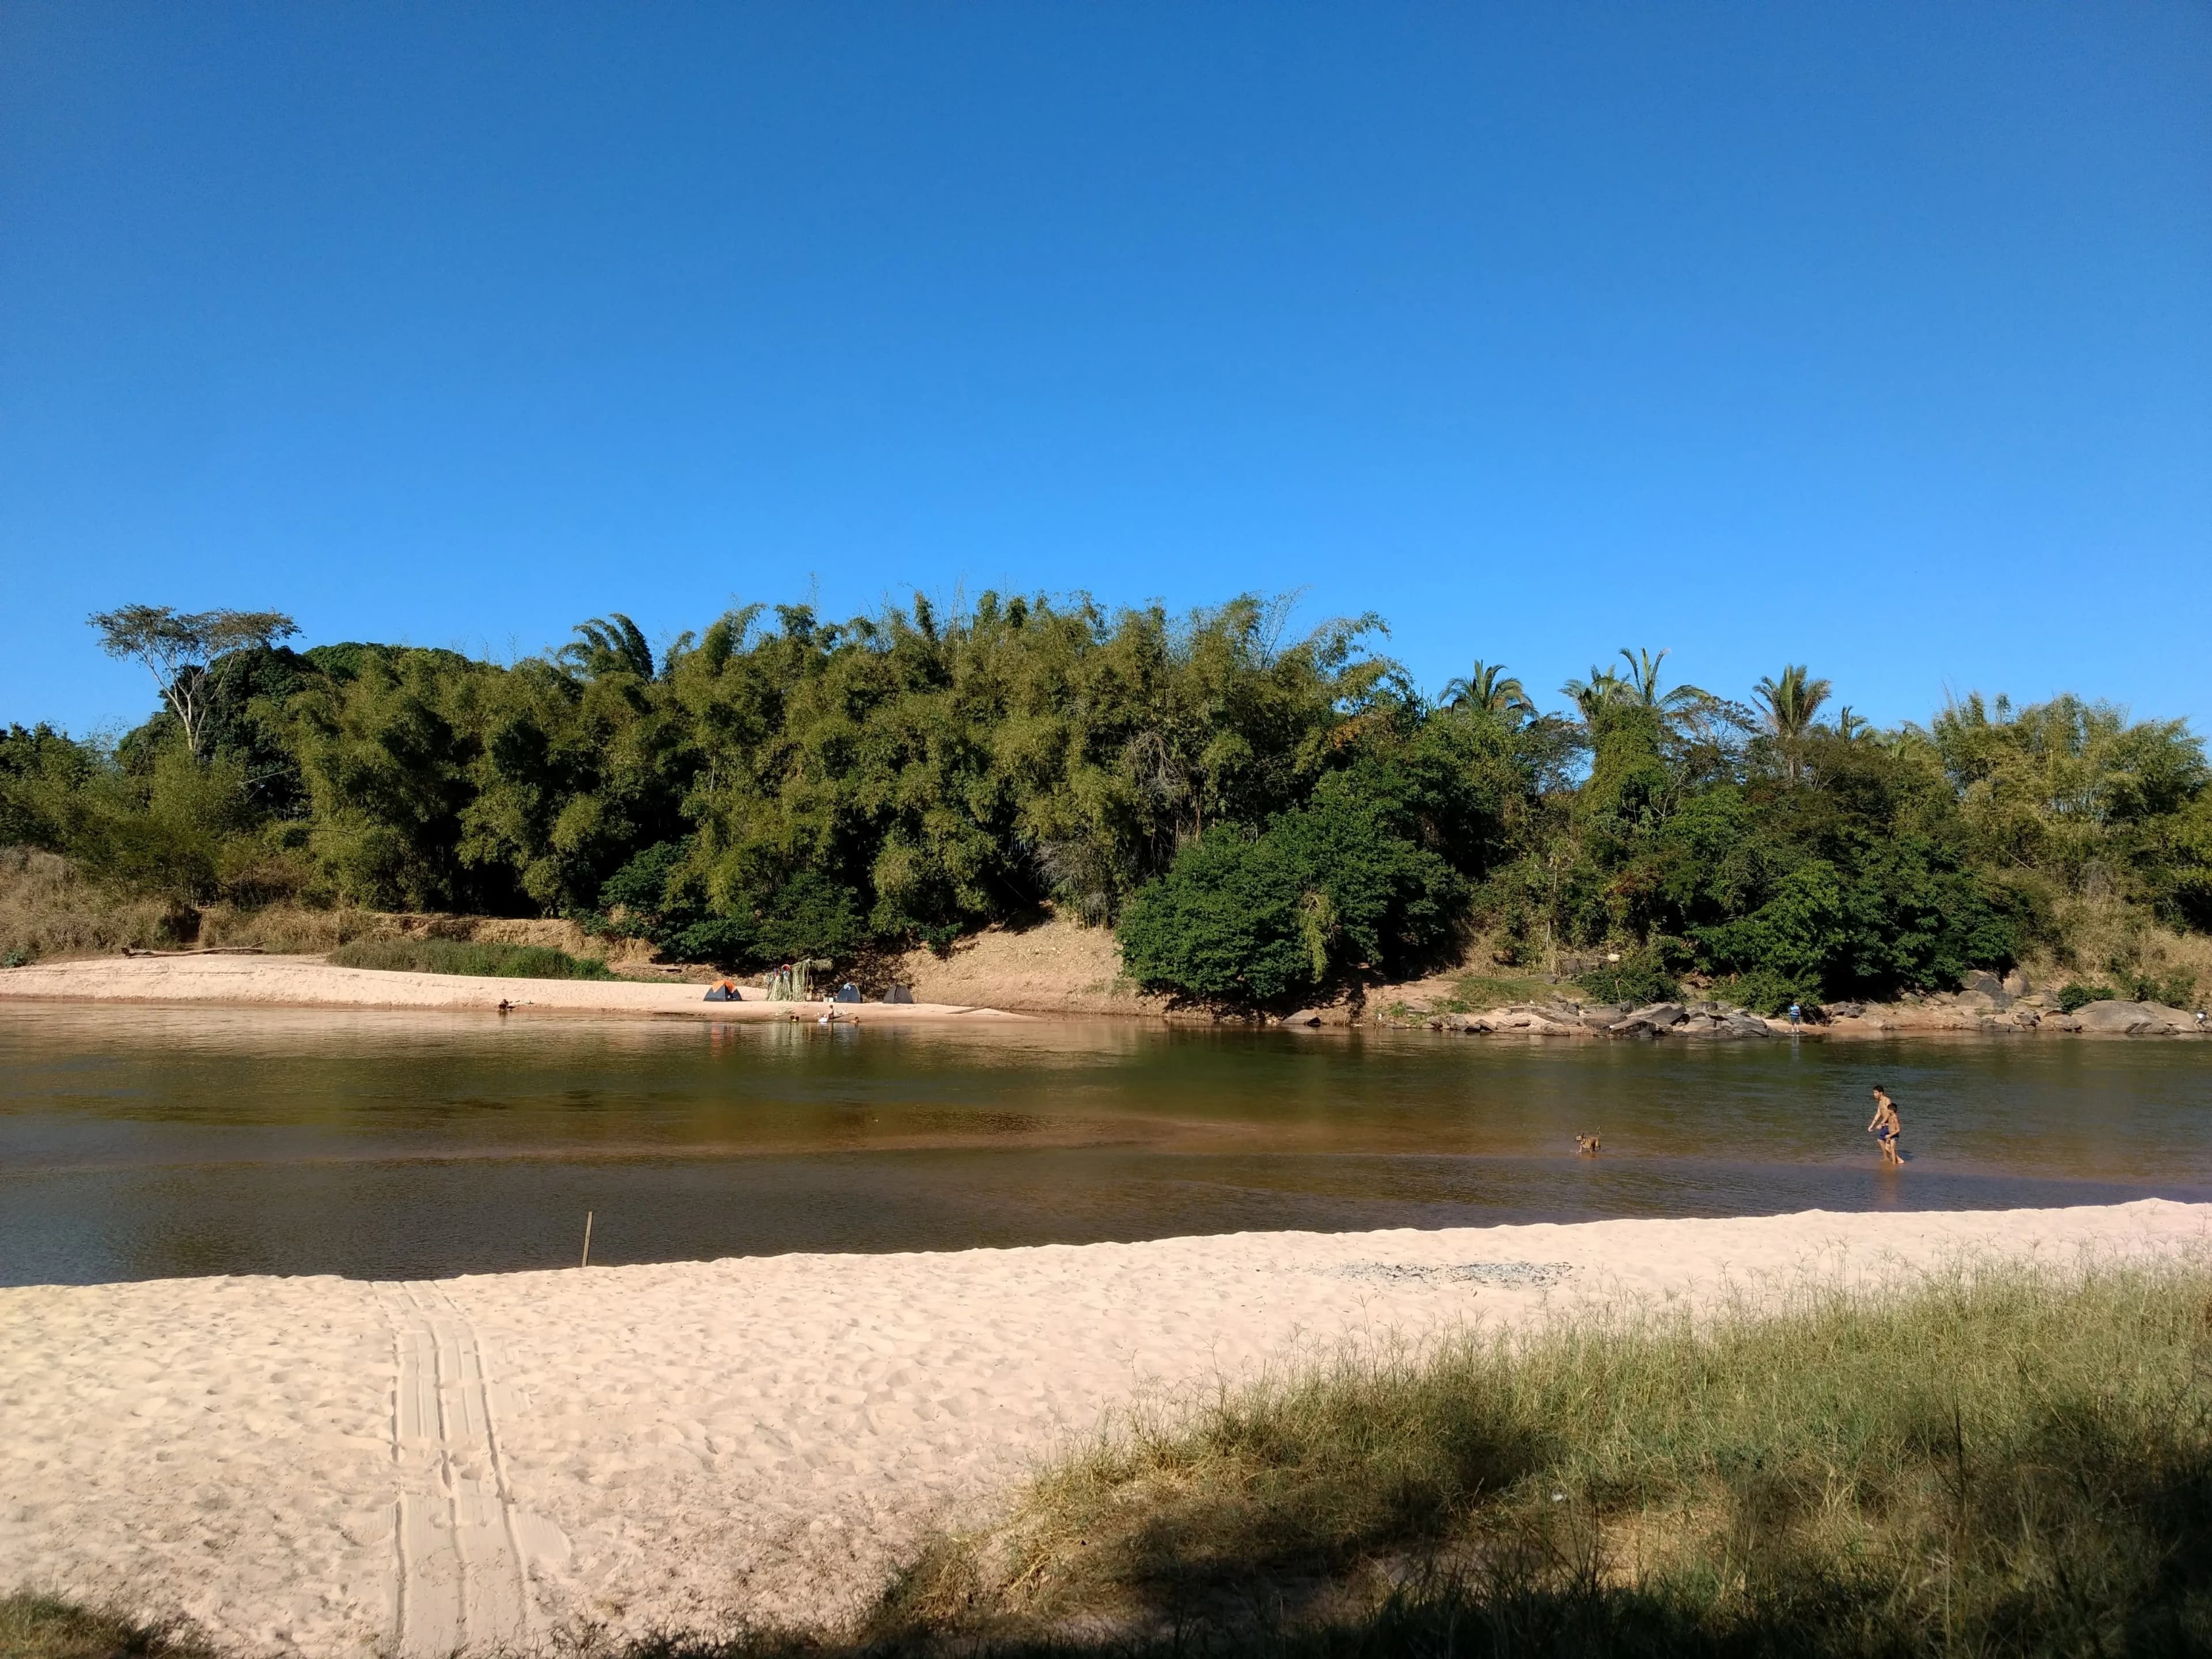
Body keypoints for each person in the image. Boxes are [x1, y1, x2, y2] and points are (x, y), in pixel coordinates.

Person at [1867, 1086, 1902, 1167]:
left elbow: (1889, 1113)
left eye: (1876, 1093)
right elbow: (1879, 1114)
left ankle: (1889, 1158)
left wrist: (1881, 1124)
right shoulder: (1880, 1102)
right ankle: (1896, 1160)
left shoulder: (1887, 1100)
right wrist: (1871, 1125)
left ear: (1881, 1093)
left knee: (1881, 1141)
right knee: (1886, 1145)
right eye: (1874, 1093)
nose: (1874, 1094)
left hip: (1889, 1125)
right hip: (1884, 1125)